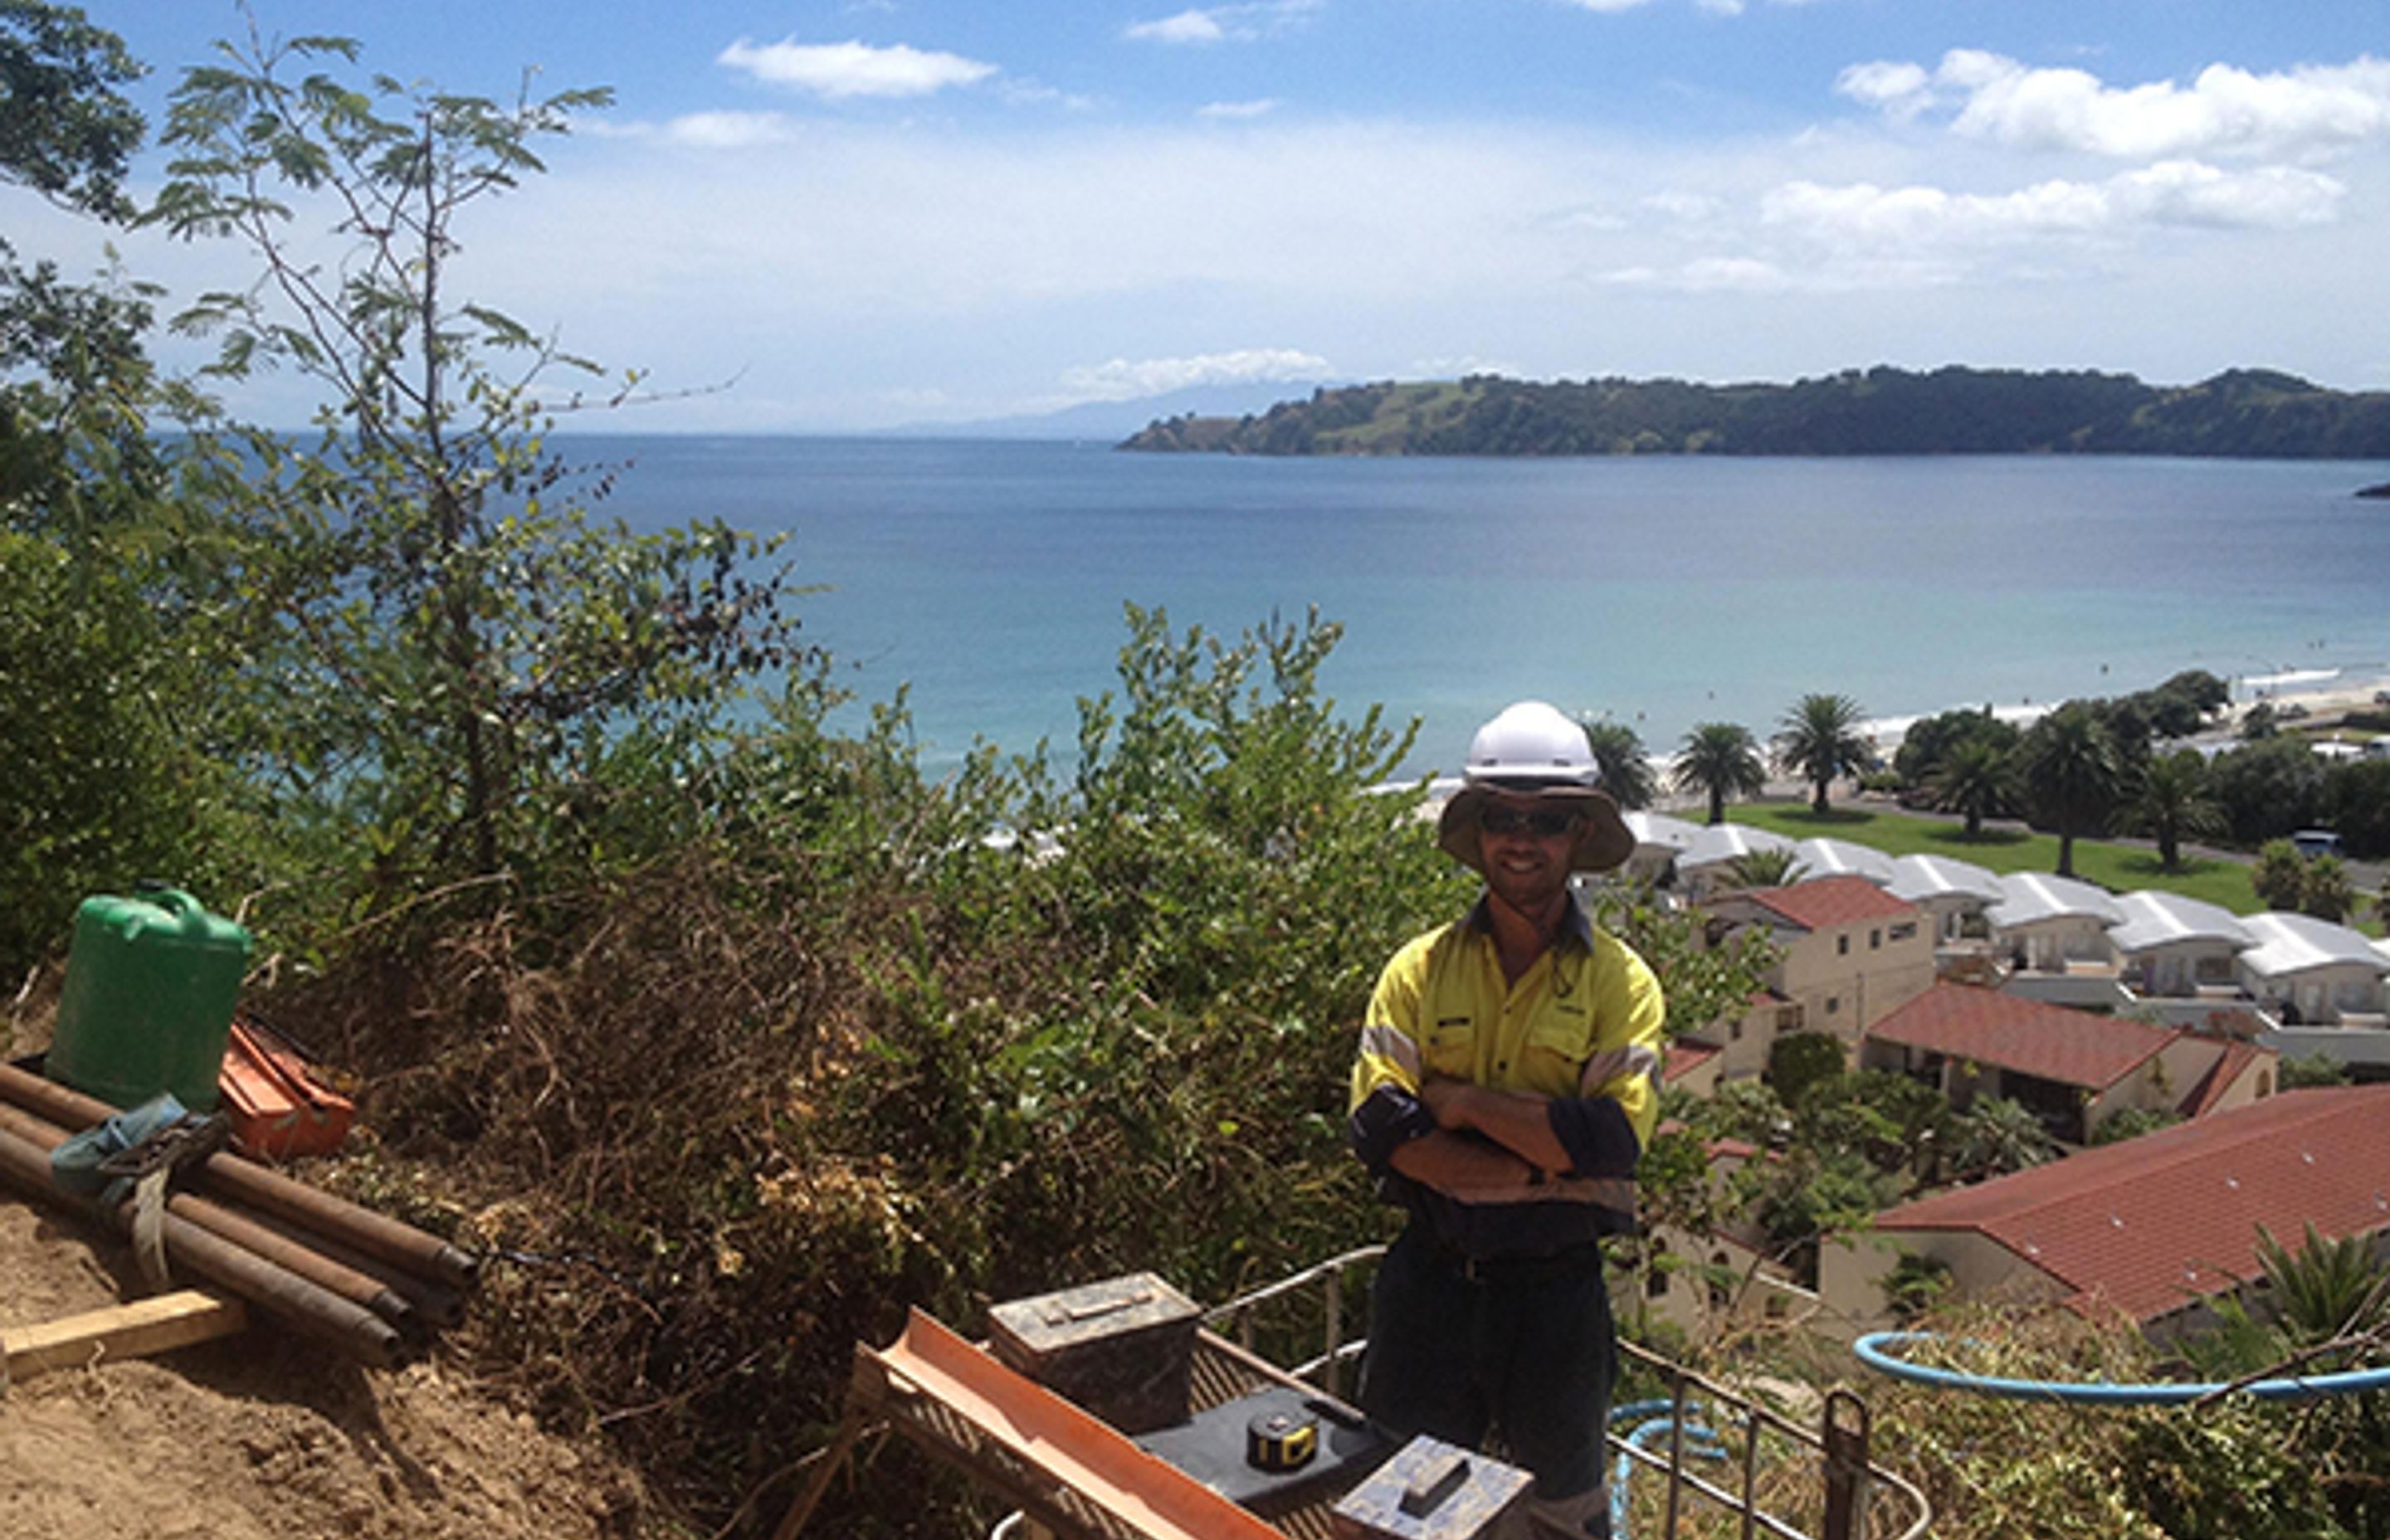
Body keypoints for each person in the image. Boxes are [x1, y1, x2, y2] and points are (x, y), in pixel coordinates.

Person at [1348, 700, 1666, 1539]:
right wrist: (1543, 1163)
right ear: (1478, 828)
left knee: (1560, 1514)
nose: (1521, 836)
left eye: (1546, 818)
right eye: (1503, 815)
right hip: (1429, 1286)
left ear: (1578, 835)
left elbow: (1614, 1143)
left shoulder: (1621, 985)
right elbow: (1382, 1134)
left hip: (1556, 1301)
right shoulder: (1417, 970)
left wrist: (1459, 1102)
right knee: (1400, 1510)